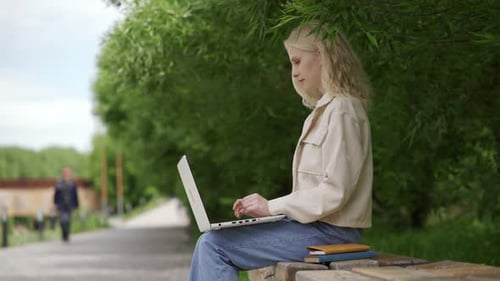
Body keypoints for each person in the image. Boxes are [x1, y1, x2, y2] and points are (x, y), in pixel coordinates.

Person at [188, 22, 373, 281]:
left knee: (213, 245)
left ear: (322, 55)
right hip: (311, 228)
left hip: (332, 234)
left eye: (297, 61)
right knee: (209, 241)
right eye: (291, 65)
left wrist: (271, 207)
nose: (294, 73)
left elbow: (335, 192)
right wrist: (266, 211)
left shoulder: (342, 110)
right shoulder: (321, 113)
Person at [53, 167, 79, 242]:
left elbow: (75, 195)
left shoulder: (72, 184)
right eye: (65, 173)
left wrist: (77, 204)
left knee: (68, 220)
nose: (66, 174)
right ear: (63, 174)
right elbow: (56, 195)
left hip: (70, 204)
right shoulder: (59, 183)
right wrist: (55, 203)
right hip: (61, 204)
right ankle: (64, 234)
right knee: (62, 220)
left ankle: (67, 234)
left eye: (68, 173)